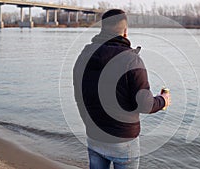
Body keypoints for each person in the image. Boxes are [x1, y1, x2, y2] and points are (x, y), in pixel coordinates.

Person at [73, 9, 171, 169]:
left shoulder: (84, 55)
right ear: (125, 32)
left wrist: (89, 125)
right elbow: (145, 105)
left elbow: (79, 96)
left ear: (102, 28)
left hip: (94, 135)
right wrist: (163, 101)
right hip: (123, 141)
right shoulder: (131, 60)